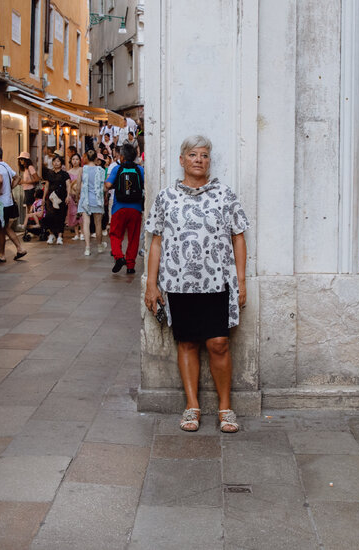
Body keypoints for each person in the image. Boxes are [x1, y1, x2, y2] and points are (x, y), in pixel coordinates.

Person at [143, 135, 248, 434]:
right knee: (187, 342)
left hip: (217, 283)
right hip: (178, 284)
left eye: (204, 155)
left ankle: (225, 409)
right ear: (182, 160)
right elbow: (156, 242)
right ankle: (192, 406)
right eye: (193, 154)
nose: (199, 160)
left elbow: (238, 237)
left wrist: (240, 281)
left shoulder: (224, 195)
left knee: (219, 343)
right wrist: (151, 284)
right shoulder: (166, 197)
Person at [106, 144, 145, 274]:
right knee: (133, 237)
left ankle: (119, 257)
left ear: (122, 156)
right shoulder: (140, 169)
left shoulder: (117, 169)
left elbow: (108, 185)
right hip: (136, 208)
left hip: (119, 207)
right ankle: (130, 266)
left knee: (115, 234)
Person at [0, 147, 27, 262]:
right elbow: (18, 178)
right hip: (8, 202)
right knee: (4, 228)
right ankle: (13, 250)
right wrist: (10, 188)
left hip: (1, 203)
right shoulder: (6, 165)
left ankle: (6, 253)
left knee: (1, 229)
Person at [79, 150, 107, 256]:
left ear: (85, 157)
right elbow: (102, 187)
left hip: (85, 198)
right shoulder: (100, 170)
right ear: (96, 159)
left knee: (86, 223)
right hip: (97, 199)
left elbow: (78, 184)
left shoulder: (83, 169)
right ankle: (99, 246)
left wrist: (77, 196)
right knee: (98, 224)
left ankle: (87, 248)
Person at [41, 156, 70, 244]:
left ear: (61, 163)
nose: (56, 163)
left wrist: (68, 196)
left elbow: (68, 185)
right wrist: (43, 198)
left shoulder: (65, 174)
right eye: (54, 161)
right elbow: (46, 186)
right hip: (51, 198)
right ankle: (51, 234)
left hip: (61, 198)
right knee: (50, 216)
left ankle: (60, 236)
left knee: (60, 216)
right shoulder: (49, 173)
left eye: (58, 161)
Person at [66, 153, 83, 241]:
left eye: (77, 159)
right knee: (73, 213)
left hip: (81, 195)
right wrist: (68, 195)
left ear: (80, 161)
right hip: (72, 195)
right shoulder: (68, 172)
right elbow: (68, 185)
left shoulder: (82, 170)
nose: (75, 161)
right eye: (73, 159)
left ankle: (83, 232)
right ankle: (76, 233)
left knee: (82, 213)